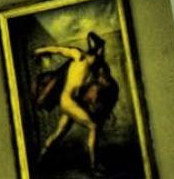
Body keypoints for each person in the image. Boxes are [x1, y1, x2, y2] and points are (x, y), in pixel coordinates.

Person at [33, 31, 120, 173]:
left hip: (72, 103)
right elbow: (59, 50)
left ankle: (39, 162)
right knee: (93, 126)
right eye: (102, 50)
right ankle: (94, 166)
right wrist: (40, 51)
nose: (103, 53)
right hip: (68, 101)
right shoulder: (79, 55)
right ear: (97, 50)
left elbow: (102, 84)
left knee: (58, 134)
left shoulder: (94, 67)